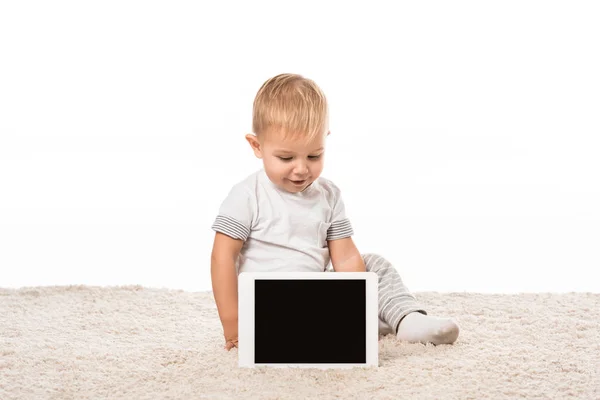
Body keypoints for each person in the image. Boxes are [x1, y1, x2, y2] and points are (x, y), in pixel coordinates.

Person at [210, 73, 460, 351]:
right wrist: (233, 325)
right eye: (286, 157)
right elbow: (223, 256)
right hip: (266, 304)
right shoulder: (247, 195)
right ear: (257, 146)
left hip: (315, 297)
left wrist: (353, 303)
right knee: (340, 295)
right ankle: (379, 320)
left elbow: (346, 256)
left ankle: (406, 320)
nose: (302, 168)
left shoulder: (328, 195)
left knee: (373, 264)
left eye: (314, 155)